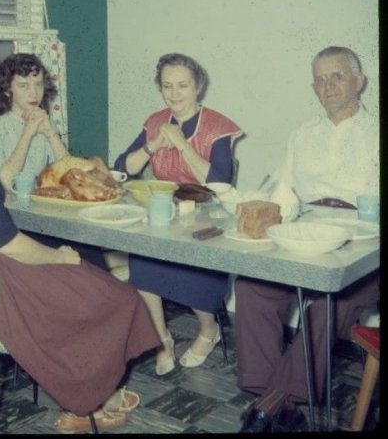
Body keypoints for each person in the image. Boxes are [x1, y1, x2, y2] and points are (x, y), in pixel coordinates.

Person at [0, 39, 160, 434]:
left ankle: (95, 392)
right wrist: (58, 257)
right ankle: (84, 404)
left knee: (87, 279)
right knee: (115, 295)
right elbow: (9, 243)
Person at [236, 46, 379, 433]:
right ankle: (275, 401)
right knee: (252, 286)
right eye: (320, 78)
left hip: (361, 242)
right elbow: (283, 192)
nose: (327, 85)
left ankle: (270, 405)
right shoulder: (302, 135)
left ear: (358, 81)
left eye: (337, 76)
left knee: (330, 301)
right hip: (306, 234)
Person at [114, 53, 242, 375]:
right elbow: (122, 169)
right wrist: (154, 144)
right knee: (142, 256)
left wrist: (183, 146)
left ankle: (208, 331)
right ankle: (162, 339)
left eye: (182, 85)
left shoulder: (218, 126)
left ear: (198, 86)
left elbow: (220, 181)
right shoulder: (155, 120)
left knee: (197, 263)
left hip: (206, 213)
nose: (174, 93)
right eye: (167, 86)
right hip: (163, 210)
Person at [0, 53, 107, 269]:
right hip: (12, 226)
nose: (33, 92)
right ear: (8, 89)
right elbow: (6, 183)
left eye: (38, 84)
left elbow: (73, 174)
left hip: (41, 217)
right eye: (24, 85)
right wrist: (28, 133)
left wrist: (50, 134)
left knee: (91, 249)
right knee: (77, 263)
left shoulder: (42, 119)